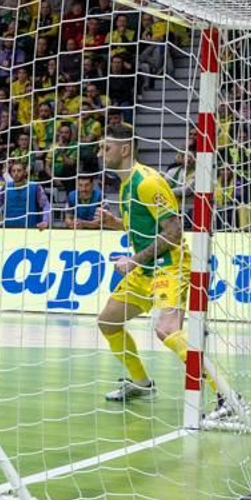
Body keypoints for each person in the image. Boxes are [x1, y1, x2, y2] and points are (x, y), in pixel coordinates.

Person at [95, 126, 237, 410]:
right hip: (146, 268)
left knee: (167, 330)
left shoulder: (148, 182)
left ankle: (228, 397)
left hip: (169, 265)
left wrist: (134, 260)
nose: (99, 154)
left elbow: (173, 232)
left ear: (125, 149)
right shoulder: (126, 184)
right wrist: (116, 223)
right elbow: (146, 227)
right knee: (108, 321)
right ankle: (141, 383)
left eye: (105, 148)